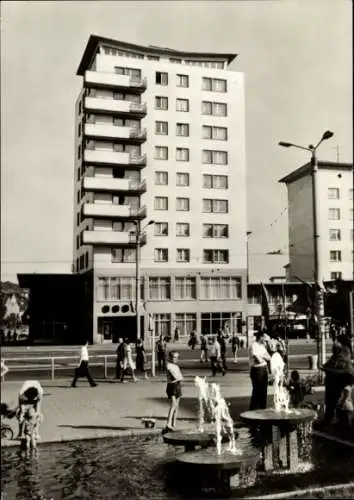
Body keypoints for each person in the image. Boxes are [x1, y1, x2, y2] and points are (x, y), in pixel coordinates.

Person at [249, 330, 271, 410]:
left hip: (264, 369)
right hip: (257, 370)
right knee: (257, 391)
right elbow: (257, 359)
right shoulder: (254, 345)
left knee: (264, 390)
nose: (265, 339)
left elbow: (269, 357)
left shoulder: (262, 346)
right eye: (264, 337)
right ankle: (252, 410)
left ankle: (262, 409)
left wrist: (262, 357)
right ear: (260, 337)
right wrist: (263, 357)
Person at [163, 351, 183, 433]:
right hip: (172, 386)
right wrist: (179, 378)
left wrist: (179, 378)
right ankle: (168, 424)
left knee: (177, 406)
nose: (176, 359)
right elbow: (175, 377)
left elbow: (180, 377)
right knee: (173, 405)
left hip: (177, 386)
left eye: (177, 357)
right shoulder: (169, 366)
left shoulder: (176, 366)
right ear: (170, 358)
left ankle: (174, 424)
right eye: (174, 357)